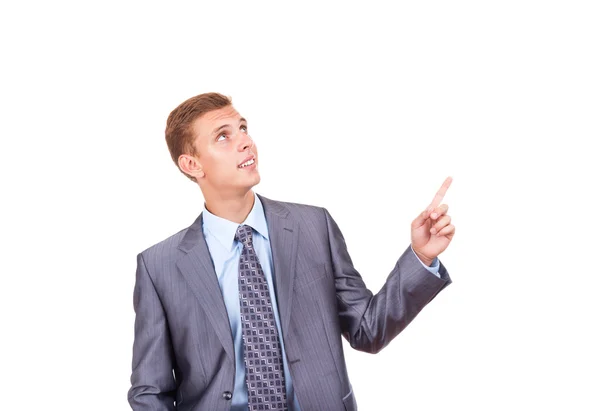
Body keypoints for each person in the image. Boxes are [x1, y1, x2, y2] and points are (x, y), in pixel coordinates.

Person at [127, 92, 455, 411]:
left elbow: (367, 331)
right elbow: (150, 391)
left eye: (243, 128)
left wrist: (421, 256)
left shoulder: (314, 227)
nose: (245, 141)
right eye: (223, 136)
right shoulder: (160, 266)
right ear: (192, 164)